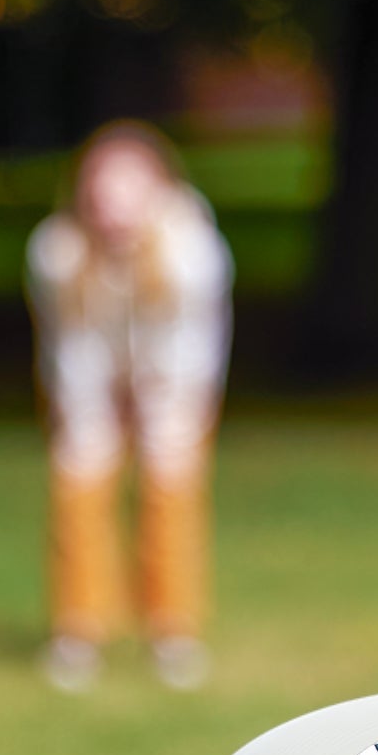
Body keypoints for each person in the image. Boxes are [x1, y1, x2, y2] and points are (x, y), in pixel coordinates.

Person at [26, 121, 233, 693]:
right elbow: (70, 346)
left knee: (171, 489)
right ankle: (79, 629)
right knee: (79, 483)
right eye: (101, 188)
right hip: (88, 381)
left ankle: (173, 631)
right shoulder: (57, 252)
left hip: (174, 383)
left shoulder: (192, 250)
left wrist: (158, 406)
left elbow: (190, 346)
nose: (113, 205)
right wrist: (92, 413)